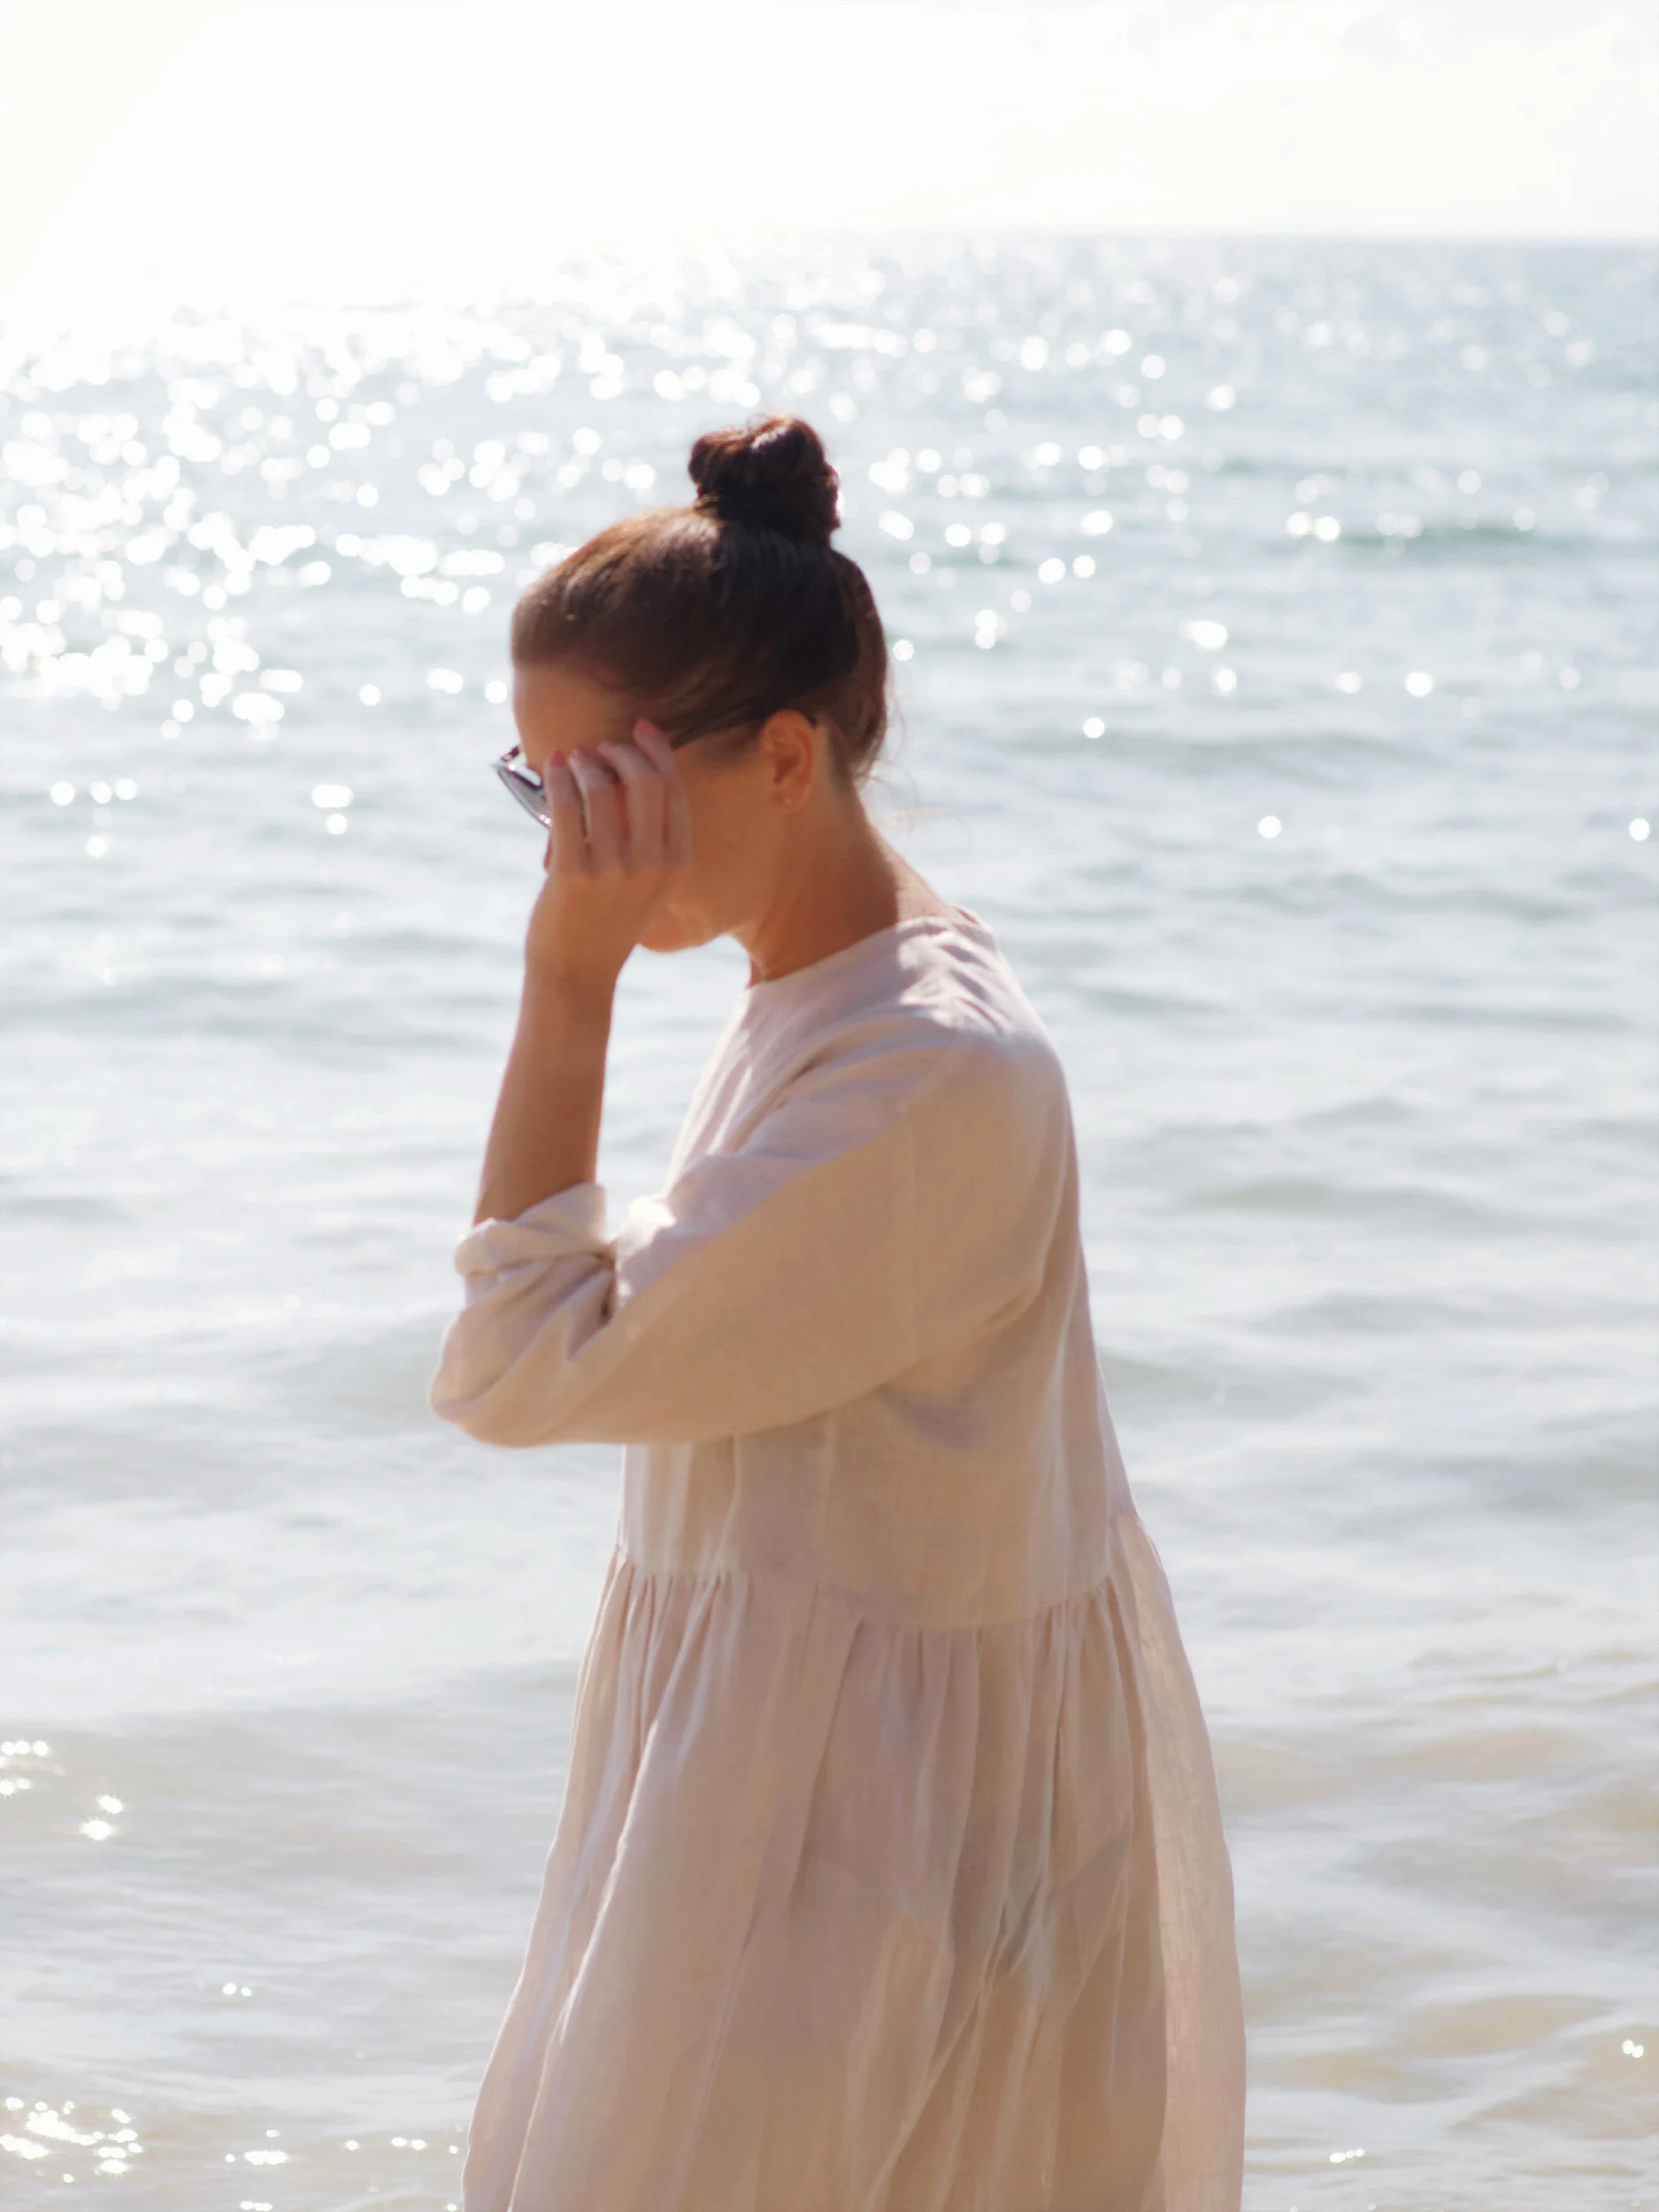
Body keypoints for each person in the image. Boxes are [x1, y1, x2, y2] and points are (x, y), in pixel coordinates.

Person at [430, 415, 1245, 2211]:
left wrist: (565, 981)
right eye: (540, 791)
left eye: (603, 787)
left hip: (871, 1857)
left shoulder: (925, 1074)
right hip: (795, 1790)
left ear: (783, 756)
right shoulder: (826, 984)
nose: (571, 843)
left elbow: (510, 1363)